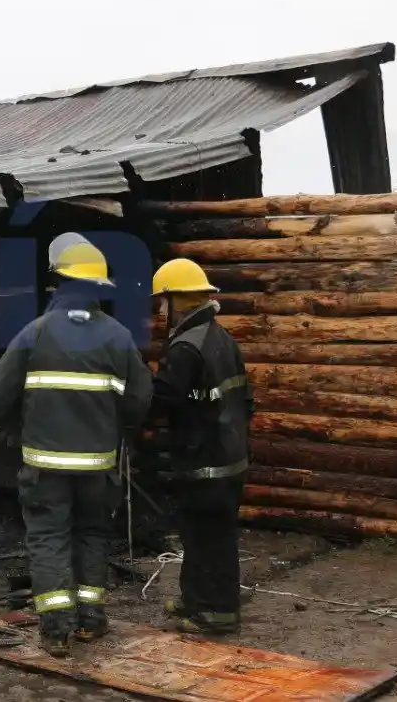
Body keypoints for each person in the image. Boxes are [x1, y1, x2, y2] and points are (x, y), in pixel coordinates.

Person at [0, 233, 152, 657]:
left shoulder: (34, 333)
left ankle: (56, 632)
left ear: (59, 284)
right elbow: (141, 399)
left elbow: (0, 390)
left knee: (49, 538)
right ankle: (91, 622)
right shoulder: (119, 337)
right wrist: (118, 429)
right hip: (98, 467)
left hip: (45, 469)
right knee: (91, 535)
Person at [149, 257, 252, 635]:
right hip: (230, 455)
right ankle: (195, 598)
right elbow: (246, 401)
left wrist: (130, 404)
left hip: (205, 460)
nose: (160, 309)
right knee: (203, 533)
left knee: (209, 537)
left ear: (179, 300)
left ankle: (217, 613)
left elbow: (161, 401)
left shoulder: (185, 348)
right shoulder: (222, 338)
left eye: (163, 301)